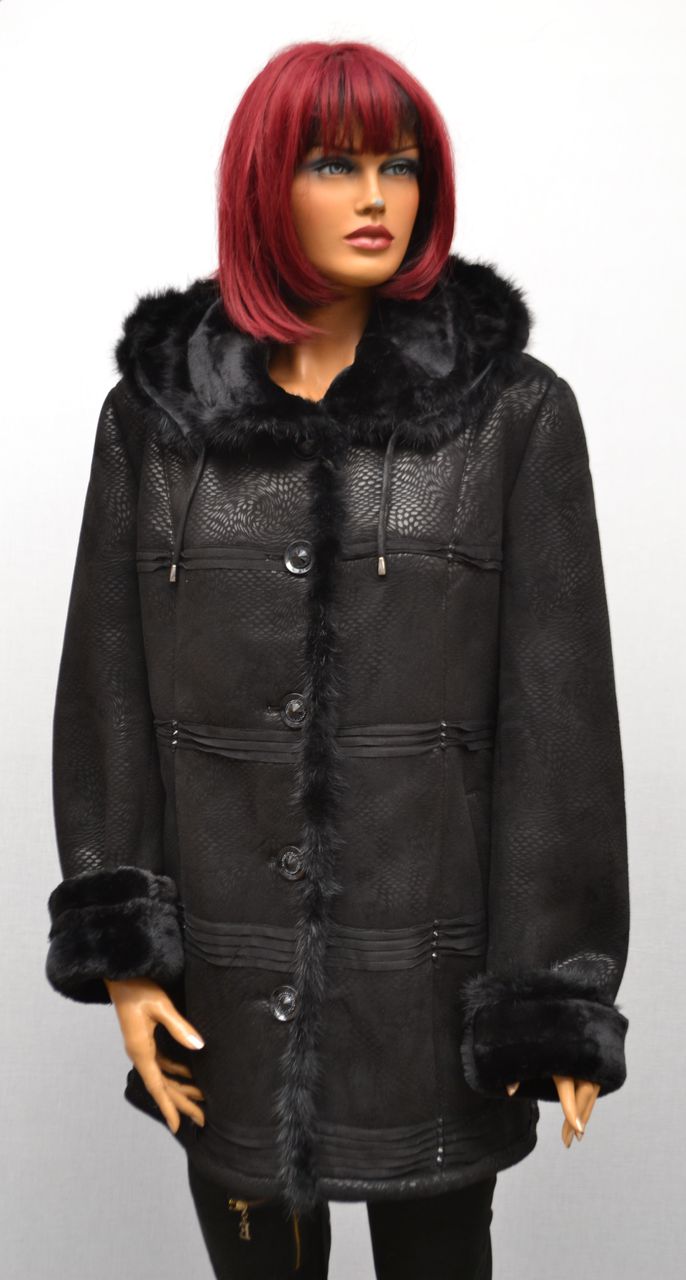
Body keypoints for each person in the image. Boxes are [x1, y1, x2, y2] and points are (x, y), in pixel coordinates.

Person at [45, 39, 630, 1279]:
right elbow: (109, 697)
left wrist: (549, 992)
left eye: (398, 165)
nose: (375, 197)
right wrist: (127, 963)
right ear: (266, 181)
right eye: (334, 164)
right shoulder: (154, 424)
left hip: (430, 996)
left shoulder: (510, 415)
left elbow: (558, 729)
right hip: (227, 1004)